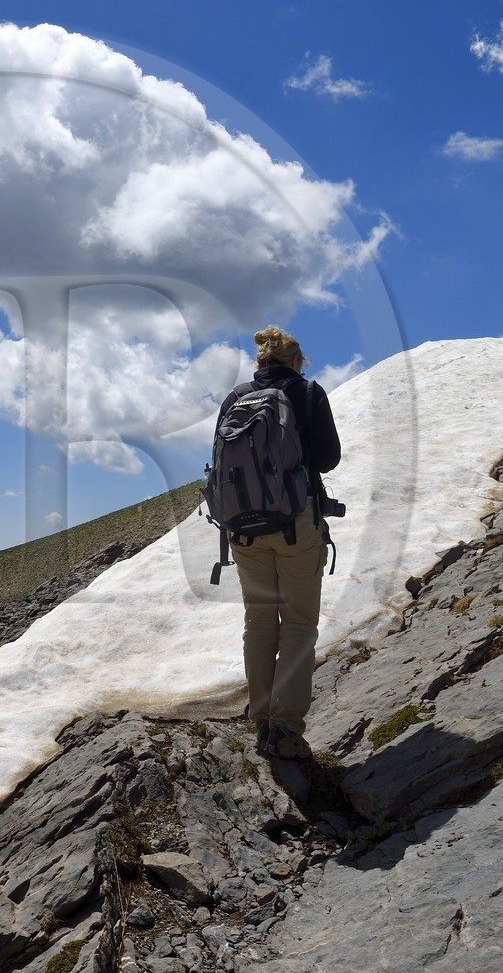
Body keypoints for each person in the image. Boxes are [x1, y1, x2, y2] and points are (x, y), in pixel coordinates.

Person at [220, 325, 342, 759]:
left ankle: (260, 717)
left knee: (259, 622)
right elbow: (328, 457)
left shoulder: (235, 399)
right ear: (296, 360)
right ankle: (285, 728)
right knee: (298, 625)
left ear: (260, 362)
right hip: (295, 524)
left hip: (243, 533)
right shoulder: (307, 394)